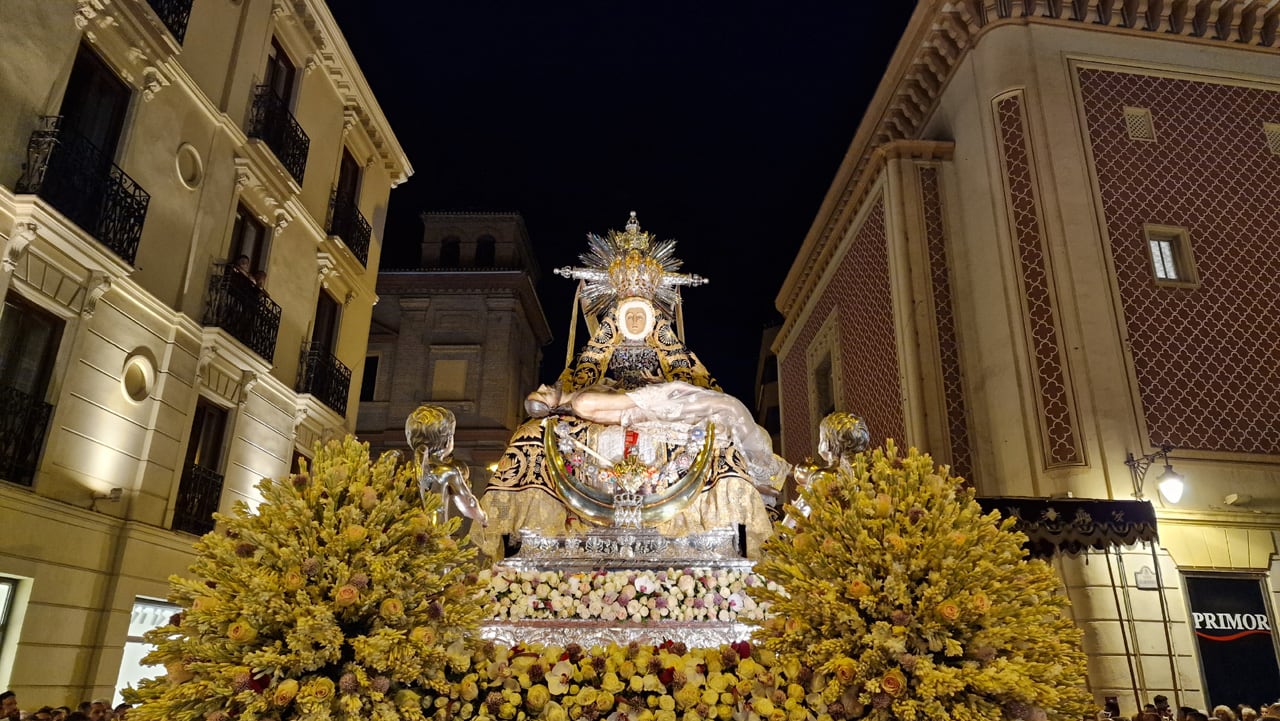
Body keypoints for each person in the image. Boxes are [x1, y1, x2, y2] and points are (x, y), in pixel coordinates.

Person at [405, 405, 487, 526]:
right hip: (437, 536)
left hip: (404, 536)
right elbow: (469, 505)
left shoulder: (406, 469)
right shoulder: (447, 471)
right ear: (448, 440)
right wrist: (483, 517)